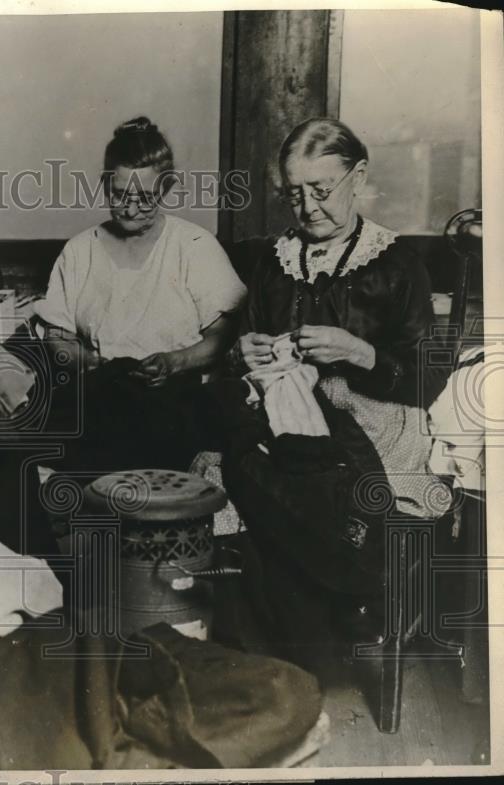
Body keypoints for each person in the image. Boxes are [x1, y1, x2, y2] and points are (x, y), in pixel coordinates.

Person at [211, 118, 451, 665]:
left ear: (358, 176)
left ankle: (324, 618)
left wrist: (358, 353)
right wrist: (240, 354)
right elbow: (240, 358)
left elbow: (430, 381)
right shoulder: (274, 265)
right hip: (288, 417)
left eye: (321, 191)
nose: (308, 208)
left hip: (373, 421)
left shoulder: (396, 265)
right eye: (294, 194)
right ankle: (322, 615)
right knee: (251, 447)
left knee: (286, 471)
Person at [33, 116, 246, 472]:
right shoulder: (80, 251)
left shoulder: (193, 246)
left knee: (146, 436)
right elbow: (57, 336)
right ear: (104, 184)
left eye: (145, 198)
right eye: (119, 195)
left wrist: (173, 361)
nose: (130, 209)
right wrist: (87, 361)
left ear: (166, 188)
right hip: (101, 392)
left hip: (175, 398)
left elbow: (222, 337)